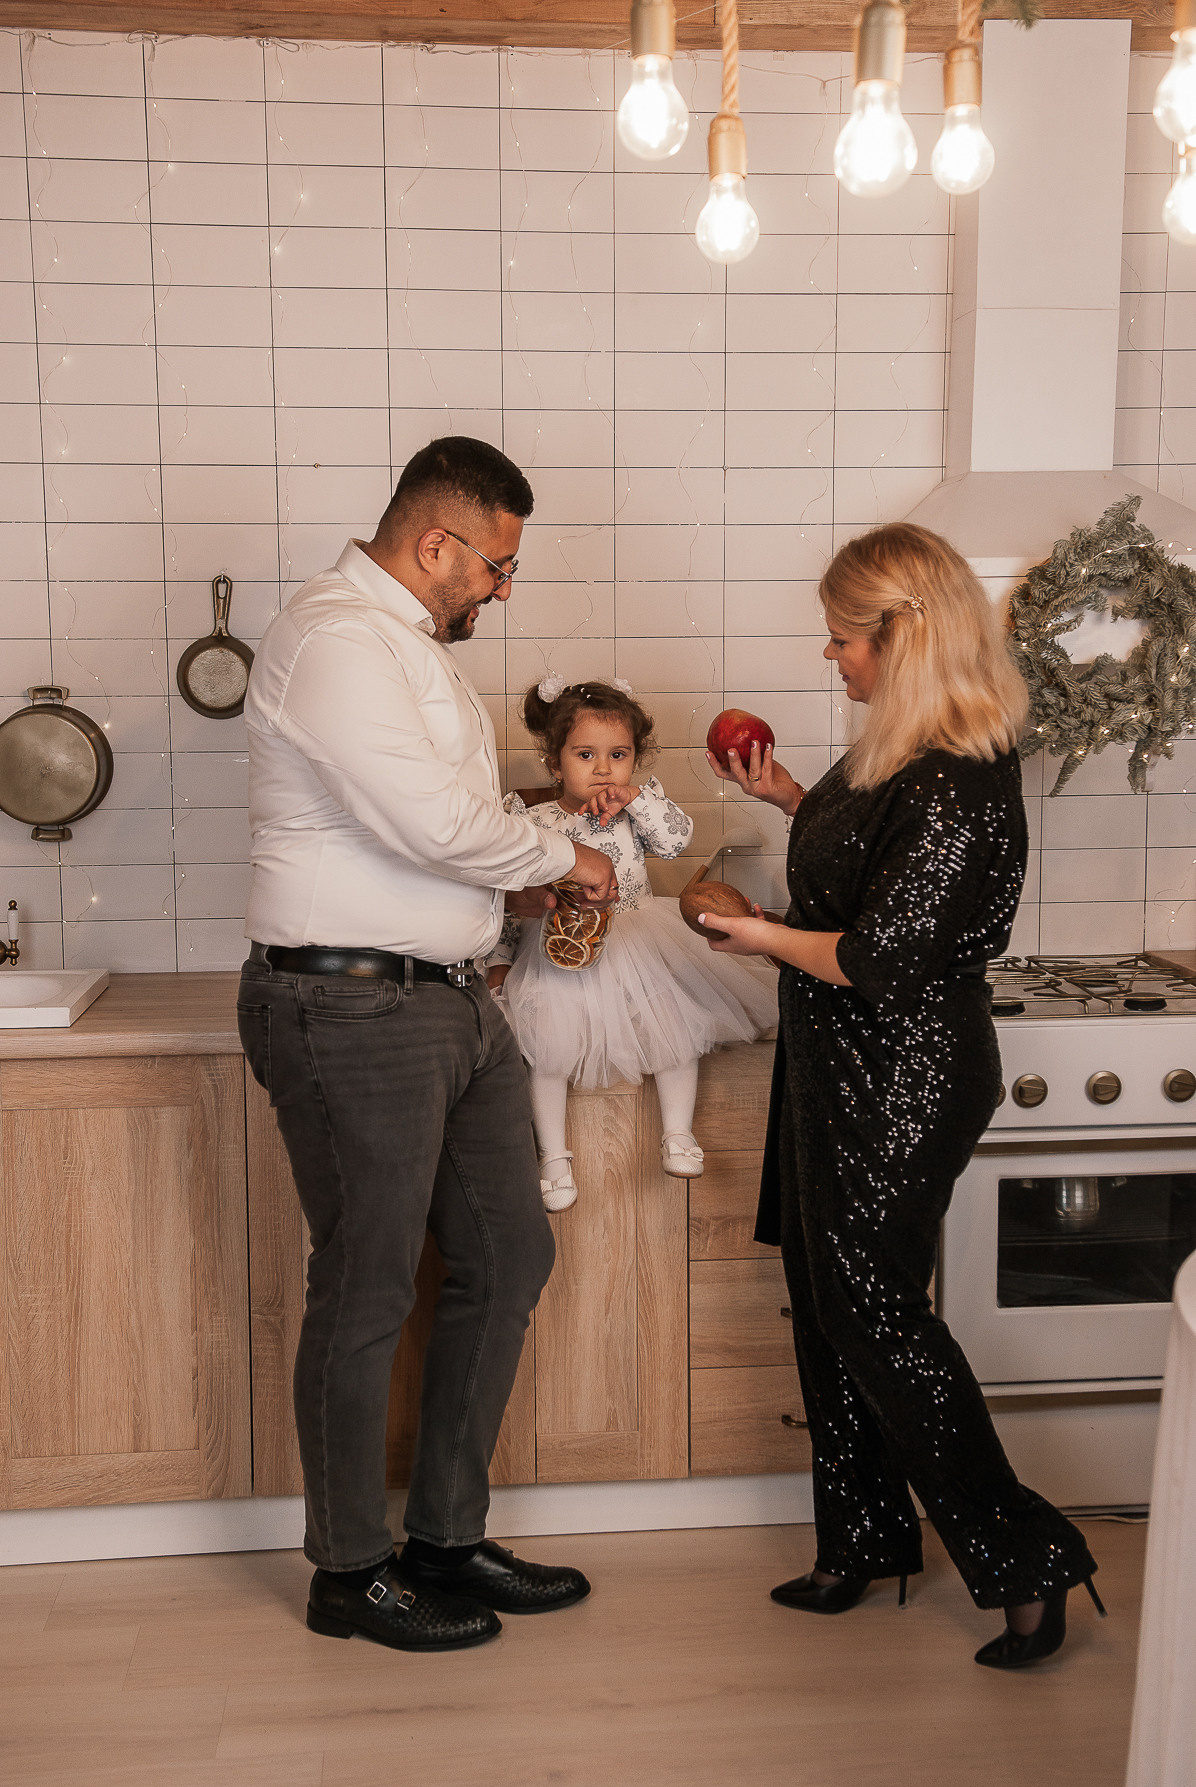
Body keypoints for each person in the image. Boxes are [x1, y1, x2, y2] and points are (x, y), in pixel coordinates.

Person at [237, 436, 619, 1655]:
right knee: (365, 1287)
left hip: (453, 1003)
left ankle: (444, 1538)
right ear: (435, 543)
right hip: (347, 1008)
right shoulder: (336, 638)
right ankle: (349, 1571)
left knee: (509, 1257)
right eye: (494, 567)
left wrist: (514, 888)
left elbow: (446, 833)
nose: (499, 591)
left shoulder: (408, 650)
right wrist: (570, 858)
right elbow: (435, 821)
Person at [699, 522, 1104, 1671]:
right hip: (835, 1062)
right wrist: (783, 795)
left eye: (842, 639)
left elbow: (877, 956)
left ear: (902, 635)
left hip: (905, 1075)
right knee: (826, 1305)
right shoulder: (894, 751)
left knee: (875, 1315)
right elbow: (864, 871)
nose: (832, 658)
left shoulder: (962, 775)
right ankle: (865, 1541)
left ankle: (1028, 1562)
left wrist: (757, 934)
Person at [485, 678, 777, 1210]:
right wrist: (500, 961)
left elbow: (675, 840)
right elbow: (512, 900)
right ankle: (552, 1157)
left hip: (637, 940)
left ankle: (678, 1132)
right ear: (555, 763)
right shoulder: (534, 821)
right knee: (545, 1054)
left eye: (618, 755)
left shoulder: (635, 813)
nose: (603, 769)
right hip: (558, 950)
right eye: (585, 755)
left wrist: (638, 801)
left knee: (674, 1028)